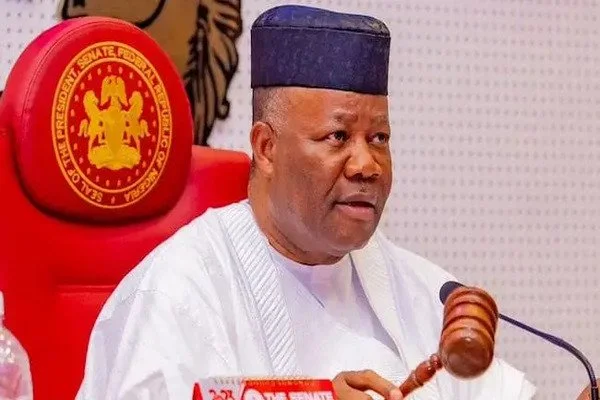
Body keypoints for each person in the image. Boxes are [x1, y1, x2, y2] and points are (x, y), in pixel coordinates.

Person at [76, 5, 536, 400]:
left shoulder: (426, 292)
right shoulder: (177, 293)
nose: (367, 164)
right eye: (338, 136)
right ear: (266, 148)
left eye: (379, 138)